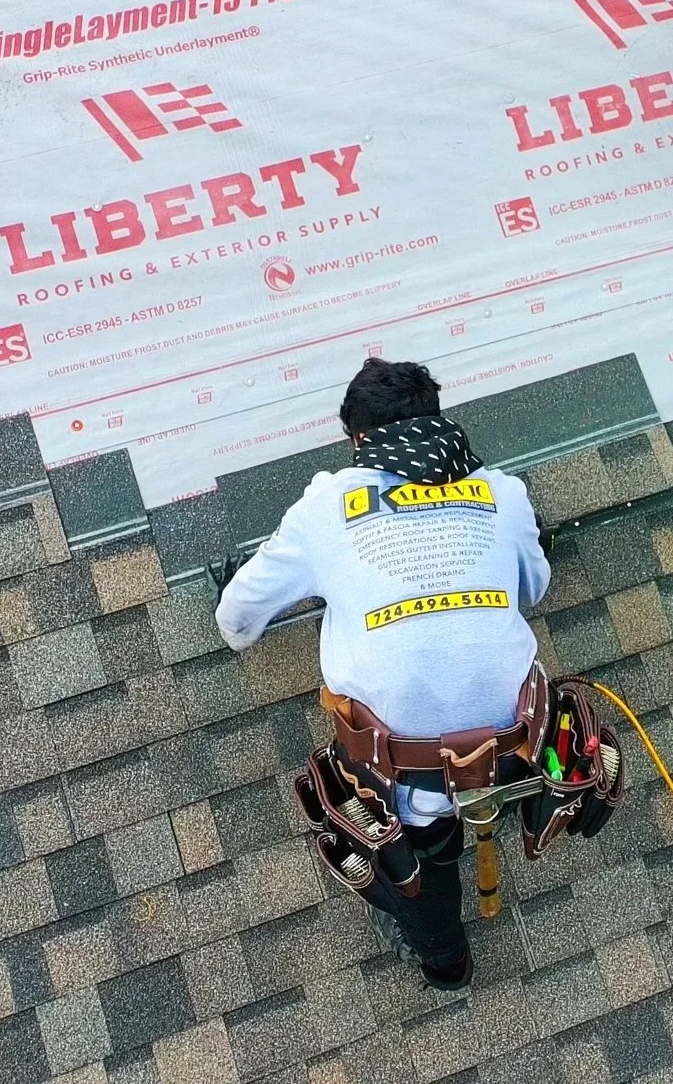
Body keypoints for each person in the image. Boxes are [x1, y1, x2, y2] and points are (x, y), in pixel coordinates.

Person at [213, 358, 552, 992]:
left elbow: (237, 616)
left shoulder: (325, 506)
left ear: (357, 440)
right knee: (462, 792)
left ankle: (445, 961)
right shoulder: (503, 493)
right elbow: (534, 585)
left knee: (409, 862)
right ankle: (472, 827)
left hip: (403, 768)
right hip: (517, 747)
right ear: (436, 418)